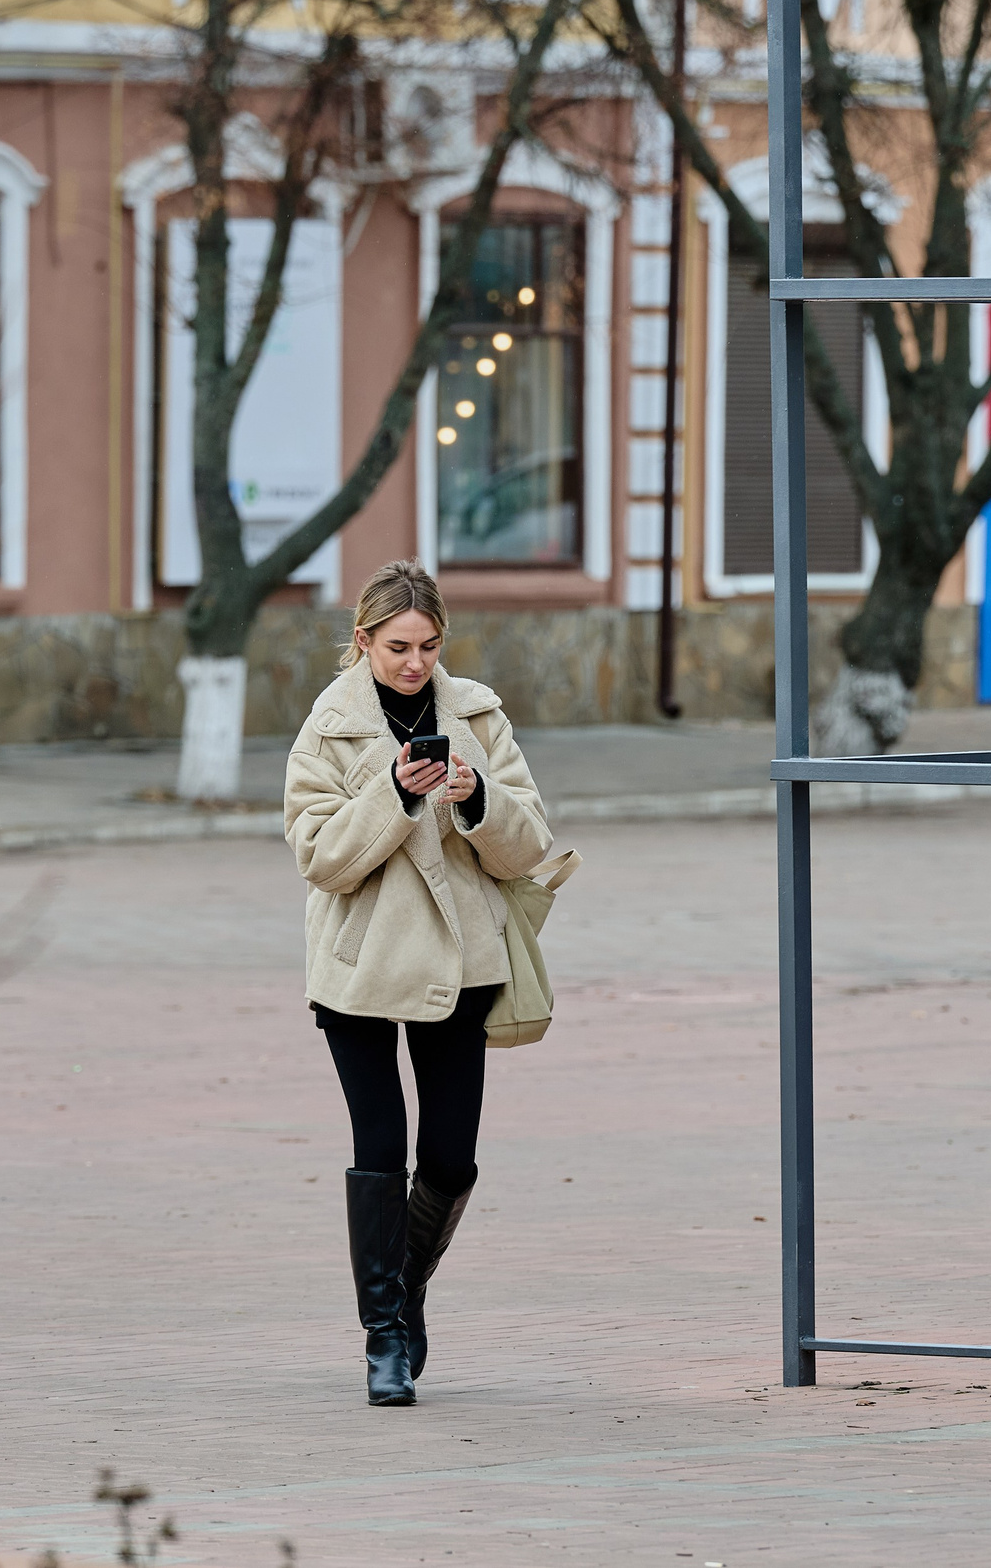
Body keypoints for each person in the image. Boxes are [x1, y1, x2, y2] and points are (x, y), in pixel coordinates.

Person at [282, 560, 552, 1407]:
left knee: (450, 1157)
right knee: (379, 1147)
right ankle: (385, 1337)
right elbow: (320, 857)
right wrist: (394, 794)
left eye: (429, 646)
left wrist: (475, 801)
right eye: (397, 647)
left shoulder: (475, 714)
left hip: (461, 964)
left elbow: (529, 841)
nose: (414, 663)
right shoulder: (328, 729)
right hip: (361, 969)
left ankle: (404, 1284)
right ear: (362, 642)